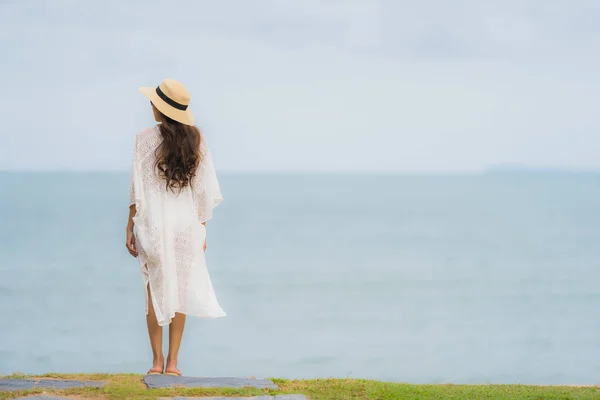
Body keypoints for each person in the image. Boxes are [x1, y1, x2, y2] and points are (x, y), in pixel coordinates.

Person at [125, 78, 226, 376]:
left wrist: (130, 226)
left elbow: (137, 189)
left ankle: (156, 362)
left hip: (154, 223)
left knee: (154, 290)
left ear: (161, 108)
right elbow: (203, 190)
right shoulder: (197, 140)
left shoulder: (143, 139)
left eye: (154, 102)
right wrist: (202, 227)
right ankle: (173, 364)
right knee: (179, 292)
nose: (150, 105)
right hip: (186, 224)